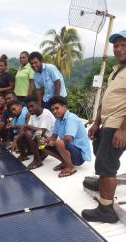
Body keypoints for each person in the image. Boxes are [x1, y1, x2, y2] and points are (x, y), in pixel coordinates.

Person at [82, 30, 126, 223]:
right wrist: (97, 122)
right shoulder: (117, 70)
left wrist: (123, 130)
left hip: (119, 124)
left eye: (124, 45)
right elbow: (108, 98)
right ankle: (103, 183)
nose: (118, 49)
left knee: (107, 166)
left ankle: (106, 210)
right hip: (107, 123)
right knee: (101, 156)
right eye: (116, 45)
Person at [41, 96, 91, 178]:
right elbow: (53, 137)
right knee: (42, 145)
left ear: (64, 107)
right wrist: (46, 140)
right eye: (52, 109)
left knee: (59, 142)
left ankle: (71, 167)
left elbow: (68, 138)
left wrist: (53, 142)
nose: (54, 111)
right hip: (69, 149)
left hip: (79, 156)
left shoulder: (71, 118)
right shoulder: (58, 120)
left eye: (57, 108)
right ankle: (65, 162)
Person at [17, 96, 55, 169]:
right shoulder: (33, 114)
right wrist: (17, 138)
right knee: (21, 135)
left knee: (29, 134)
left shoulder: (46, 113)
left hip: (49, 141)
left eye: (32, 106)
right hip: (40, 139)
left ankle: (37, 160)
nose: (30, 109)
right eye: (28, 107)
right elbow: (27, 128)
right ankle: (24, 155)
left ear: (38, 104)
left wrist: (27, 126)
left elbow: (41, 131)